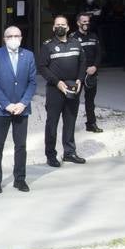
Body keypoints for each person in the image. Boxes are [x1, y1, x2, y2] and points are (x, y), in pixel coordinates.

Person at [0, 25, 36, 194]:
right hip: (1, 109)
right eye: (10, 36)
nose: (14, 38)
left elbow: (32, 82)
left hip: (22, 108)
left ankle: (20, 179)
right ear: (4, 38)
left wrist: (23, 103)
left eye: (17, 35)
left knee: (21, 146)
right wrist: (7, 104)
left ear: (21, 38)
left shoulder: (28, 55)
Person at [38, 15, 87, 167]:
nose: (60, 27)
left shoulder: (76, 44)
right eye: (57, 25)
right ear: (53, 28)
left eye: (63, 25)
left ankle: (69, 153)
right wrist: (57, 82)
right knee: (52, 123)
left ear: (68, 27)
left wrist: (80, 79)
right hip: (55, 90)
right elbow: (42, 67)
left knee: (70, 121)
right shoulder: (48, 45)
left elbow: (83, 62)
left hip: (73, 88)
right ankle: (51, 155)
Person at [74, 12, 103, 133]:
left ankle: (91, 124)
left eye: (87, 21)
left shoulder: (94, 36)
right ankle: (70, 125)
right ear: (78, 23)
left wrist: (95, 67)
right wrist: (83, 68)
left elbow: (99, 54)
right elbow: (73, 57)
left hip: (91, 74)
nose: (86, 23)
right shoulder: (73, 38)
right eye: (83, 21)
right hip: (77, 75)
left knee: (90, 101)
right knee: (73, 101)